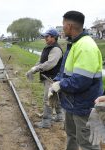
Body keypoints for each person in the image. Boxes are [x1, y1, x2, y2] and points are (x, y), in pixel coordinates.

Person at [49, 11, 103, 149]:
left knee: (87, 144)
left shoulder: (85, 47)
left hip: (83, 106)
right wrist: (55, 82)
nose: (62, 28)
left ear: (69, 25)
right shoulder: (74, 44)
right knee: (71, 136)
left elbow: (81, 81)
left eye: (63, 25)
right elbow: (65, 71)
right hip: (72, 103)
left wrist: (60, 85)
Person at [26, 28, 64, 128]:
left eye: (47, 36)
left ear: (54, 37)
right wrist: (33, 69)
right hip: (49, 77)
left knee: (48, 99)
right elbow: (41, 60)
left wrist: (37, 69)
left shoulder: (55, 49)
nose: (45, 38)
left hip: (53, 78)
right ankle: (60, 116)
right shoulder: (48, 47)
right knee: (55, 97)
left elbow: (50, 64)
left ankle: (46, 122)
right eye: (45, 37)